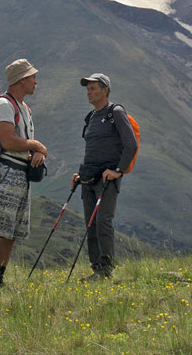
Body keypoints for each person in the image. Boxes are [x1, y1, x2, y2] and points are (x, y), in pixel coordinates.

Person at [0, 58, 47, 289]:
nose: (36, 81)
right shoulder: (4, 105)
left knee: (10, 229)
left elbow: (20, 143)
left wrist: (36, 152)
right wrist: (37, 145)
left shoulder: (23, 108)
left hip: (20, 171)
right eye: (32, 77)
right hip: (6, 170)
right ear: (22, 79)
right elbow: (8, 140)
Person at [71, 72, 138, 281]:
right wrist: (80, 176)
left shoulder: (115, 112)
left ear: (105, 90)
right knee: (90, 224)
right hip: (89, 177)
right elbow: (92, 148)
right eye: (87, 89)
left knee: (102, 222)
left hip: (108, 178)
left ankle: (105, 270)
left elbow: (131, 144)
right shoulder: (91, 117)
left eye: (93, 88)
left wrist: (118, 170)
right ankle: (96, 268)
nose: (89, 93)